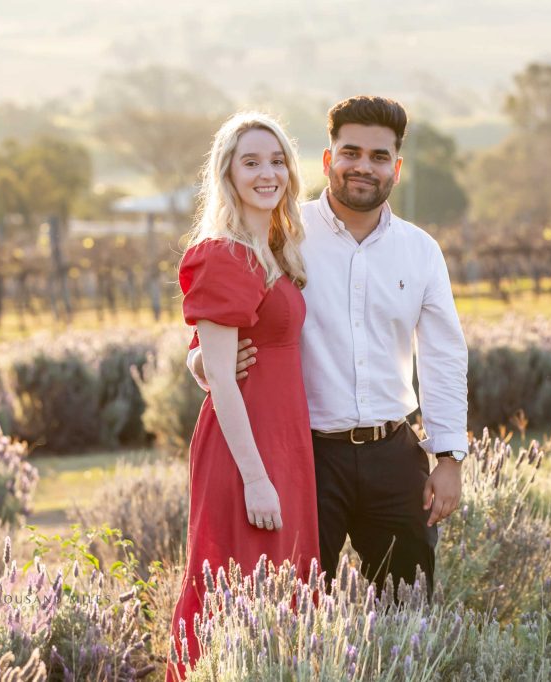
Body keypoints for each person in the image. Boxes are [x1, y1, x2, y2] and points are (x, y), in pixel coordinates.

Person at [188, 96, 468, 600]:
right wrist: (201, 360)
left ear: (396, 168)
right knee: (295, 607)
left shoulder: (421, 251)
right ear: (327, 160)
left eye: (379, 156)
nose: (364, 166)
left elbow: (444, 357)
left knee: (410, 608)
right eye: (351, 152)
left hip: (394, 455)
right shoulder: (284, 233)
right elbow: (229, 304)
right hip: (308, 457)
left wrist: (449, 457)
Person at [166, 112, 319, 682]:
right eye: (251, 161)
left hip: (287, 442)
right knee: (240, 586)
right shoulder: (223, 254)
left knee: (284, 591)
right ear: (226, 173)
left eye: (277, 160)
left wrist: (200, 359)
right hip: (246, 450)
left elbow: (212, 355)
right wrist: (256, 476)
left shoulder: (278, 249)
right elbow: (223, 378)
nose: (267, 173)